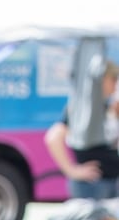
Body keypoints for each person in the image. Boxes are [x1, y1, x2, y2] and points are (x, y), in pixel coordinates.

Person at [43, 56, 118, 200]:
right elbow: (53, 137)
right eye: (113, 79)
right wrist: (72, 170)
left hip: (108, 182)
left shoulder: (107, 106)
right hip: (92, 186)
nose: (116, 85)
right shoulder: (84, 108)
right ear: (101, 79)